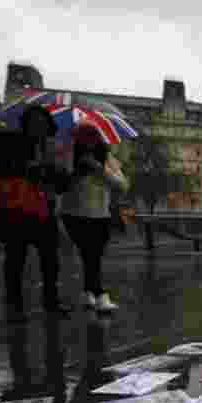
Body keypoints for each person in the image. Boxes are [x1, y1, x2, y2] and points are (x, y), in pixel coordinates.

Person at [0, 111, 71, 324]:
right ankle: (15, 307)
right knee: (15, 259)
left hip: (44, 210)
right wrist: (26, 168)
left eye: (43, 124)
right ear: (26, 124)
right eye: (34, 123)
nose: (39, 128)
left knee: (51, 261)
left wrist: (54, 171)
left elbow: (62, 183)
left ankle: (51, 303)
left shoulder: (52, 147)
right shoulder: (9, 140)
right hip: (17, 209)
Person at [60, 124, 128, 312]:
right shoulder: (68, 157)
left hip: (100, 214)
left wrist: (100, 170)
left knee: (91, 256)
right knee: (91, 255)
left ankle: (88, 292)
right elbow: (60, 185)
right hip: (73, 214)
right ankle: (100, 294)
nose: (88, 144)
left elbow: (122, 185)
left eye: (92, 139)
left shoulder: (107, 159)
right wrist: (77, 173)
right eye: (84, 139)